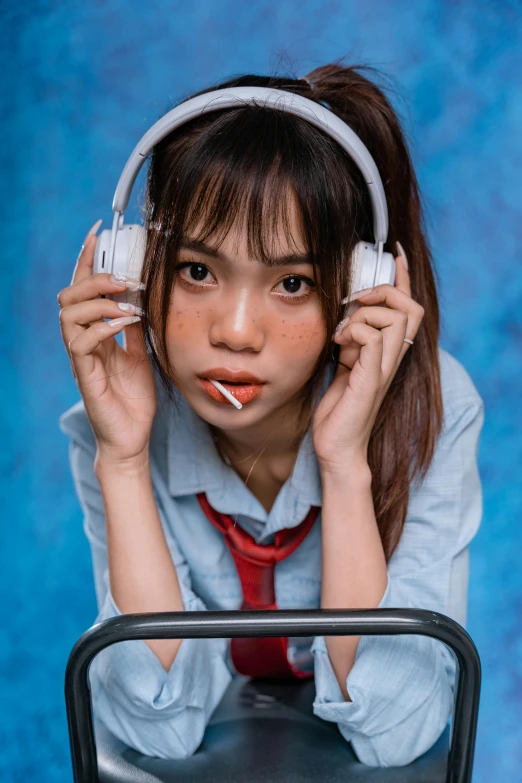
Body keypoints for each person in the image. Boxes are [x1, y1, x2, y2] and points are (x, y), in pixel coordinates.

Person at [57, 63, 485, 768]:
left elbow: (397, 734)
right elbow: (157, 727)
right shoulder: (113, 418)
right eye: (198, 270)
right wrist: (125, 460)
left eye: (292, 283)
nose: (235, 330)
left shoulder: (434, 405)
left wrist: (345, 463)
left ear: (355, 291)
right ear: (135, 265)